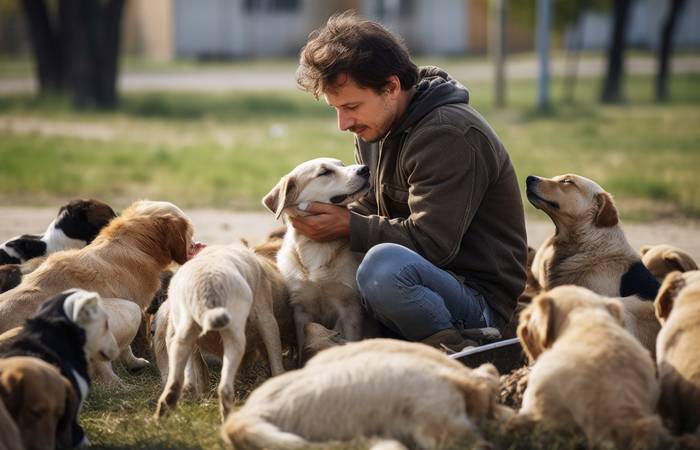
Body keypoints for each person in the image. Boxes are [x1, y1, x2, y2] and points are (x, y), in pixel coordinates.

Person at [291, 12, 527, 351]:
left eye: (352, 106)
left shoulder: (448, 134)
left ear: (391, 87)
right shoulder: (376, 126)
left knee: (382, 268)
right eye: (336, 109)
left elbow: (434, 244)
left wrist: (348, 226)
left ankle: (460, 348)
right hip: (414, 289)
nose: (343, 123)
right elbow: (370, 207)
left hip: (475, 301)